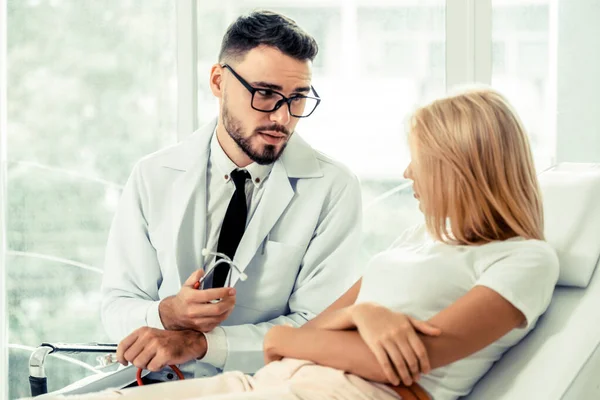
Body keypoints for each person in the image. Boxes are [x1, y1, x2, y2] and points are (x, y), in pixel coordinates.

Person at [64, 87, 559, 400]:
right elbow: (297, 338)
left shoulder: (524, 260)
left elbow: (411, 362)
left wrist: (302, 340)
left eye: (420, 160)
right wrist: (360, 316)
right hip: (270, 382)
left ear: (461, 165)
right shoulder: (422, 237)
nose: (408, 173)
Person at [100, 10, 363, 381]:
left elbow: (318, 327)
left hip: (270, 386)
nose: (282, 118)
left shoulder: (333, 188)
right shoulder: (153, 175)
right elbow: (116, 306)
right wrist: (168, 314)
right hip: (159, 382)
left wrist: (203, 343)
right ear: (218, 81)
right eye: (265, 94)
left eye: (298, 98)